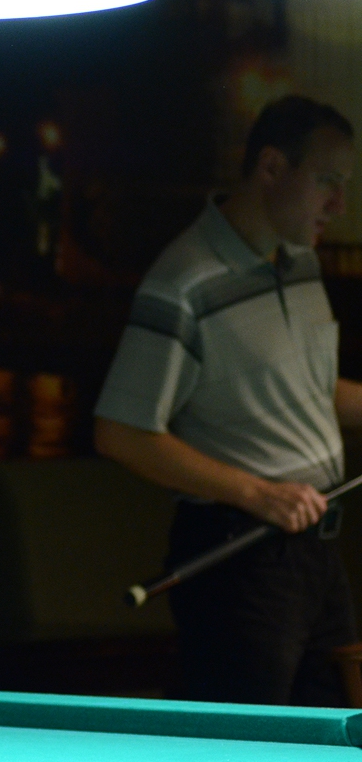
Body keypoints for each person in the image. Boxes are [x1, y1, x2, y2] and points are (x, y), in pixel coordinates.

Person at [94, 95, 362, 706]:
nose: (340, 205)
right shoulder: (181, 283)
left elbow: (310, 393)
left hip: (315, 548)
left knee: (339, 735)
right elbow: (121, 433)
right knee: (246, 747)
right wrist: (259, 494)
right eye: (328, 182)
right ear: (271, 167)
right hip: (238, 557)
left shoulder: (299, 260)